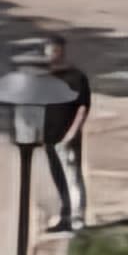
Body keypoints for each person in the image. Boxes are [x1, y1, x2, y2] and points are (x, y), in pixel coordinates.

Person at [30, 37, 92, 234]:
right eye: (47, 52)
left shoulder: (76, 77)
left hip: (67, 137)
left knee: (72, 177)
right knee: (59, 177)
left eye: (54, 51)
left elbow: (82, 108)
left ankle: (77, 220)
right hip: (50, 137)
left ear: (61, 51)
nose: (50, 56)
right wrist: (38, 132)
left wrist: (72, 134)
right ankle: (65, 218)